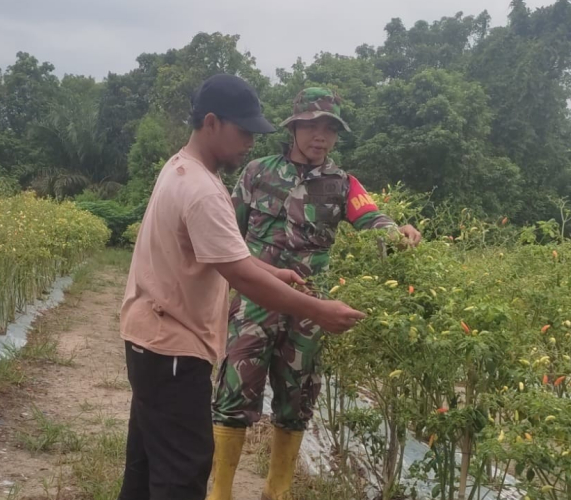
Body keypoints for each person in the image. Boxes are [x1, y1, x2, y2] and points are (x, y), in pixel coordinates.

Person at [117, 76, 366, 500]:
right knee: (182, 471)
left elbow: (227, 256)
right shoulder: (207, 190)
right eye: (244, 131)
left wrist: (275, 273)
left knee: (145, 467)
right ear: (211, 122)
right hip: (174, 349)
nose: (250, 141)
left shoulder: (181, 169)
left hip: (149, 341)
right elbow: (240, 275)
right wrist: (319, 311)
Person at [208, 87, 422, 500]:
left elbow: (371, 217)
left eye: (329, 128)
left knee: (296, 398)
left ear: (337, 135)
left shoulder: (342, 184)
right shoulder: (257, 172)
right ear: (293, 129)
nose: (319, 136)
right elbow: (226, 232)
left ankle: (278, 492)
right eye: (310, 126)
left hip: (310, 307)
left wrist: (400, 233)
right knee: (234, 391)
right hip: (254, 301)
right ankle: (220, 492)